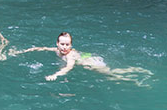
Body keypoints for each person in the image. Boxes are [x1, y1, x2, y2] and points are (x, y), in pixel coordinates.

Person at [11, 32, 152, 85]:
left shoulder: (70, 56)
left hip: (92, 61)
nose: (64, 47)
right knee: (111, 73)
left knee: (110, 74)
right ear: (57, 43)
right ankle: (136, 72)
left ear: (71, 45)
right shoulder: (56, 49)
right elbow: (40, 48)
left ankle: (135, 77)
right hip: (88, 57)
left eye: (67, 44)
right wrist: (21, 51)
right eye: (62, 44)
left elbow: (68, 67)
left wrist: (55, 75)